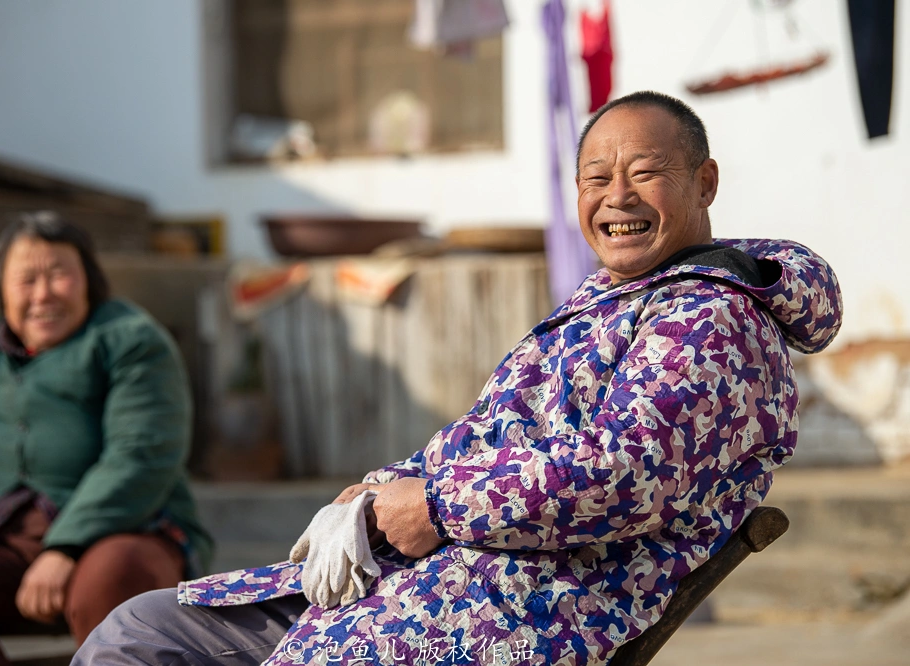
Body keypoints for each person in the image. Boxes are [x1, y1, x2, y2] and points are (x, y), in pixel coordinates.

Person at [74, 91, 843, 665]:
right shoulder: (606, 302)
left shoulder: (710, 319)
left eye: (645, 174)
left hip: (523, 610)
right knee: (139, 633)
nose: (617, 198)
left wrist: (436, 505)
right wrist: (378, 493)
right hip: (427, 582)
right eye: (596, 176)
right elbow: (487, 438)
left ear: (705, 183)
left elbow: (624, 476)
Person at [0, 211, 214, 666]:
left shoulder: (131, 340)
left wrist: (65, 546)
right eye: (26, 279)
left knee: (115, 581)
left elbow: (141, 453)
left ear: (89, 280)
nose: (43, 294)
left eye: (59, 275)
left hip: (126, 528)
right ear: (0, 291)